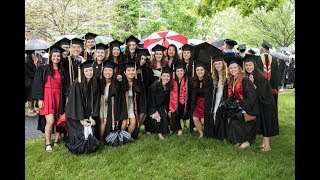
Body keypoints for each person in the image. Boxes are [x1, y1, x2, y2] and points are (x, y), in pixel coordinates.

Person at [32, 45, 70, 152]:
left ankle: (57, 140)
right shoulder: (43, 68)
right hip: (47, 96)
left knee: (59, 120)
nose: (56, 58)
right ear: (50, 56)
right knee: (50, 121)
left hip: (59, 96)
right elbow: (38, 84)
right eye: (54, 56)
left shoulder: (63, 70)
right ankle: (48, 143)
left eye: (58, 56)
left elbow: (66, 86)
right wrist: (40, 99)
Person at [244, 54, 279, 152]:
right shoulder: (253, 75)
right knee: (263, 124)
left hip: (266, 104)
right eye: (246, 65)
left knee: (266, 124)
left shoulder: (259, 77)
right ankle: (264, 144)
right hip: (262, 103)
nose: (248, 67)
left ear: (254, 65)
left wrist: (254, 87)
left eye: (250, 65)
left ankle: (267, 147)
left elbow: (262, 93)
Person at [65, 60, 100, 154]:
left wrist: (92, 117)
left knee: (91, 126)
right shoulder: (77, 84)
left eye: (91, 70)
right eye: (87, 71)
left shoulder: (94, 83)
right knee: (81, 131)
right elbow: (75, 103)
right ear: (83, 72)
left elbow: (95, 101)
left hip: (87, 114)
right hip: (75, 116)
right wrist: (81, 119)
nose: (89, 73)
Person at [225, 59, 259, 149]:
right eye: (231, 68)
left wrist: (242, 107)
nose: (233, 69)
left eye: (235, 67)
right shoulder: (233, 80)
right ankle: (239, 139)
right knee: (233, 120)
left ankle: (247, 141)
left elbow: (252, 97)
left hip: (250, 107)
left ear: (239, 68)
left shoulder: (244, 80)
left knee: (239, 119)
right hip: (240, 106)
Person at [99, 61, 126, 145]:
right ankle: (100, 140)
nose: (107, 72)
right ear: (102, 71)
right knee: (103, 121)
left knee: (108, 121)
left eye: (110, 70)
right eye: (105, 70)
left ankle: (107, 139)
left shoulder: (116, 84)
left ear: (113, 72)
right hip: (101, 107)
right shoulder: (99, 83)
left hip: (111, 107)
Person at [119, 61, 147, 139]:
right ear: (124, 72)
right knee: (124, 123)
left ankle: (126, 138)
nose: (131, 72)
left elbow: (142, 98)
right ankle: (120, 137)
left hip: (132, 106)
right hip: (123, 106)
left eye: (133, 70)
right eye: (128, 70)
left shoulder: (139, 83)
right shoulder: (121, 83)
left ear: (135, 71)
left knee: (133, 122)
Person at [256, 40, 279, 127]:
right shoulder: (274, 59)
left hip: (260, 88)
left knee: (260, 104)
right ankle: (272, 123)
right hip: (272, 87)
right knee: (271, 105)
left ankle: (261, 124)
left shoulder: (257, 59)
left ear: (262, 49)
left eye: (260, 48)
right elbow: (277, 75)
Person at [145, 66, 172, 139]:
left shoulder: (168, 87)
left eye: (168, 76)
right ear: (161, 76)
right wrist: (154, 111)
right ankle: (159, 133)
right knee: (158, 117)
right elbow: (151, 100)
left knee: (164, 115)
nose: (166, 78)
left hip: (160, 106)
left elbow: (166, 101)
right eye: (164, 76)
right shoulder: (154, 87)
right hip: (152, 106)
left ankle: (163, 130)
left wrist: (166, 109)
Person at [169, 62, 192, 135]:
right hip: (175, 102)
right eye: (177, 71)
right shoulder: (173, 81)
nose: (179, 73)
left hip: (185, 102)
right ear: (175, 72)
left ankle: (179, 128)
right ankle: (178, 128)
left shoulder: (188, 80)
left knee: (179, 112)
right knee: (174, 113)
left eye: (181, 71)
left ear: (184, 71)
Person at [210, 55, 228, 140]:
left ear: (223, 64)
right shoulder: (214, 76)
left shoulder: (227, 76)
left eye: (219, 63)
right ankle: (217, 134)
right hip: (216, 98)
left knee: (219, 114)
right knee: (214, 114)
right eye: (216, 64)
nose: (218, 65)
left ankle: (222, 135)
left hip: (223, 99)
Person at [25, 50, 39, 116]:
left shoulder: (30, 61)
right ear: (30, 55)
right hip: (28, 82)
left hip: (30, 81)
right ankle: (31, 110)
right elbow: (32, 74)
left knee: (31, 96)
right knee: (30, 97)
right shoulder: (27, 62)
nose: (34, 55)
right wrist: (35, 64)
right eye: (33, 54)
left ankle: (33, 109)